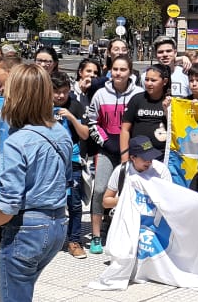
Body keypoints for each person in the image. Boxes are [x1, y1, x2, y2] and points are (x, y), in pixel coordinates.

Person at [0, 64, 72, 301]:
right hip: (57, 225)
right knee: (24, 289)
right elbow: (66, 179)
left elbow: (8, 205)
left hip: (27, 229)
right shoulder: (61, 133)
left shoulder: (17, 142)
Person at [85, 54, 141, 254]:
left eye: (123, 69)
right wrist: (106, 142)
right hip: (107, 149)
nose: (118, 73)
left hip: (132, 151)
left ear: (130, 71)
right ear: (110, 70)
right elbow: (92, 122)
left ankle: (127, 231)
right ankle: (96, 235)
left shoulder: (139, 94)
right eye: (115, 69)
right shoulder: (100, 94)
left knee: (131, 192)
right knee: (100, 190)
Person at [53, 72, 90, 260]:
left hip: (72, 162)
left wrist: (71, 118)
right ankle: (49, 239)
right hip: (49, 163)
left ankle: (74, 240)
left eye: (64, 92)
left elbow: (85, 134)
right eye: (56, 92)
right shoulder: (42, 106)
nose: (60, 96)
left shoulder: (75, 106)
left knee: (74, 204)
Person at [102, 136, 173, 210]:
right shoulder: (121, 170)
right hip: (128, 218)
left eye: (151, 156)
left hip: (153, 219)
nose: (149, 161)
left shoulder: (161, 170)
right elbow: (106, 202)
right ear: (133, 158)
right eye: (145, 158)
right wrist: (126, 199)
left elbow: (170, 199)